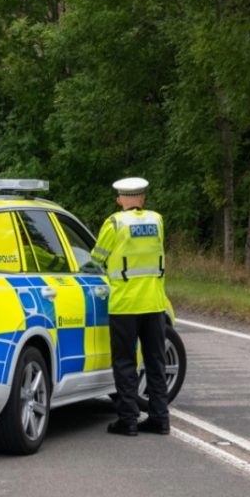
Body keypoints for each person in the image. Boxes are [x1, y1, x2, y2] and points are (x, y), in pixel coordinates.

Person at [91, 176, 171, 437]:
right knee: (155, 362)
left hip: (125, 304)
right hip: (155, 302)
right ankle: (160, 418)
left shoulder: (114, 223)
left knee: (125, 363)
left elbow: (96, 259)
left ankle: (128, 420)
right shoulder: (157, 220)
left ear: (119, 200)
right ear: (143, 198)